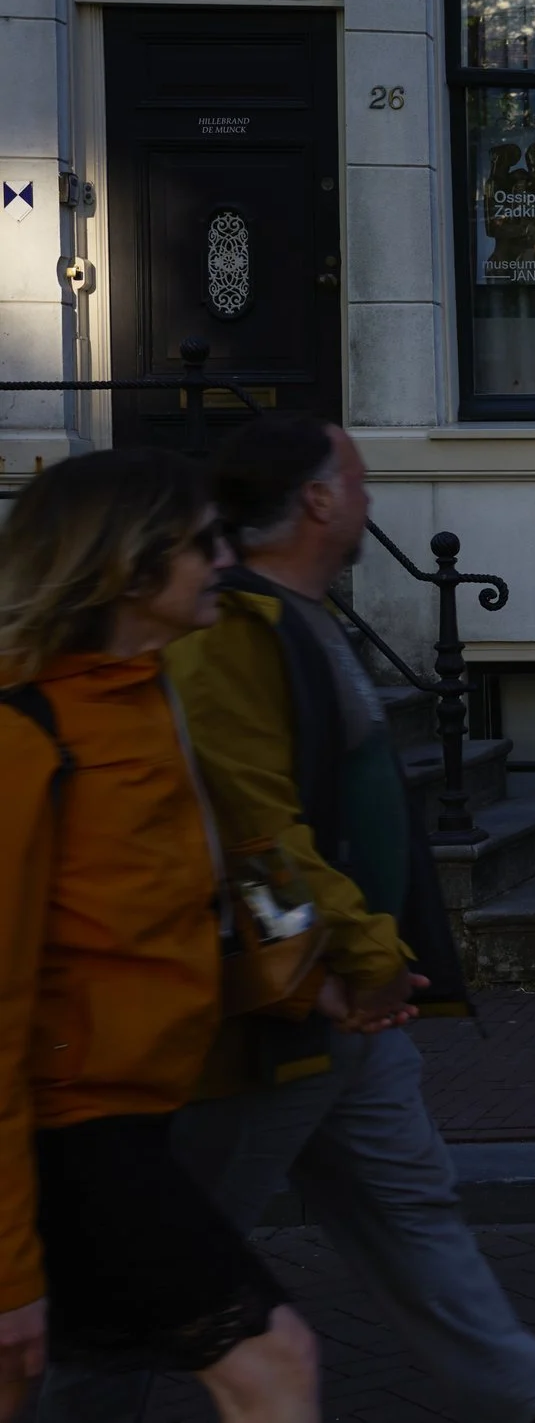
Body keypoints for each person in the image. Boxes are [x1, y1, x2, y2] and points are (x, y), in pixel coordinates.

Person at [34, 416, 535, 1423]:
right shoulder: (206, 649)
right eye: (361, 482)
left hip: (322, 1005)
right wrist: (352, 949)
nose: (375, 501)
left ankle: (529, 1398)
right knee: (162, 1290)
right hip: (232, 1038)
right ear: (321, 500)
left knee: (403, 1211)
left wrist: (352, 963)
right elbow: (255, 830)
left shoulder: (258, 637)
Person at [0, 448, 323, 1423]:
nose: (226, 559)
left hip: (137, 1117)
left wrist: (317, 976)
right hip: (72, 1139)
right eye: (203, 543)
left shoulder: (152, 697)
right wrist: (10, 1262)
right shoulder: (27, 735)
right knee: (274, 1364)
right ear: (130, 568)